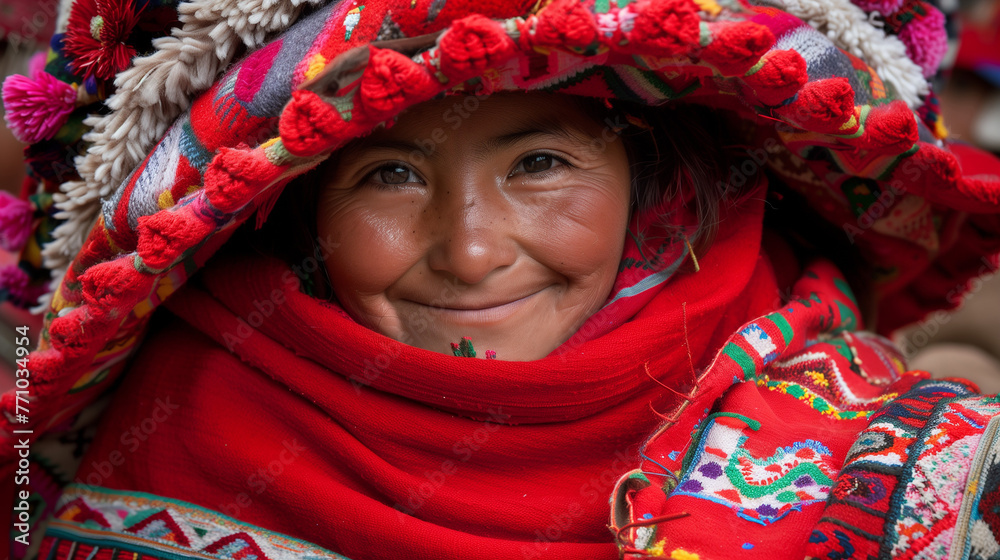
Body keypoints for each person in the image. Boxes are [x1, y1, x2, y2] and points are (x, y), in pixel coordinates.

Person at [2, 0, 1000, 559]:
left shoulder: (910, 464)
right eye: (389, 175)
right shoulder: (158, 443)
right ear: (297, 208)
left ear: (654, 186)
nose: (471, 251)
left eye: (541, 164)